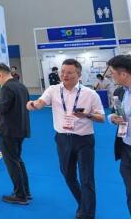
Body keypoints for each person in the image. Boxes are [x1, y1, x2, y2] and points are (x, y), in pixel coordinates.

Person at [26, 59, 105, 218]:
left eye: (69, 72)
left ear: (79, 74)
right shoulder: (53, 90)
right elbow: (41, 102)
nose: (64, 75)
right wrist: (33, 105)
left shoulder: (90, 94)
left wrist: (87, 115)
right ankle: (84, 204)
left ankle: (87, 214)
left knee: (86, 179)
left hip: (84, 140)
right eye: (62, 72)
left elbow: (101, 117)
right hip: (62, 139)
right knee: (68, 175)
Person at [0, 63, 31, 205]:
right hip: (20, 128)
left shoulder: (6, 88)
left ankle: (20, 195)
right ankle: (25, 192)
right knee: (17, 160)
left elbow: (3, 108)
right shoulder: (21, 86)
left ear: (0, 75)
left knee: (12, 163)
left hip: (9, 130)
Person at [106, 55, 130, 214]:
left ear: (124, 74)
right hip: (126, 148)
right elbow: (114, 112)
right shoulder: (119, 92)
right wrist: (112, 118)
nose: (110, 75)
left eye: (112, 73)